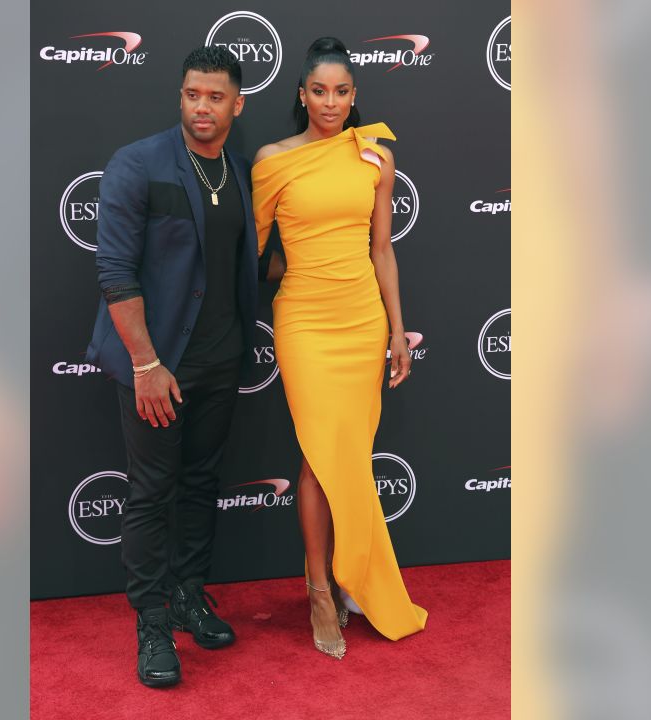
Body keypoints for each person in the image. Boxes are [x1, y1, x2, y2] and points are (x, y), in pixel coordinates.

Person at [85, 46, 258, 688]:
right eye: (192, 95)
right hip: (158, 365)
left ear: (236, 105)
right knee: (152, 492)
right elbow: (114, 271)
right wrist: (146, 365)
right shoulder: (139, 163)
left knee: (202, 482)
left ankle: (188, 595)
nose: (202, 107)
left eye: (215, 97)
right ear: (180, 97)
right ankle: (152, 625)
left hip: (220, 361)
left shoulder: (239, 172)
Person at [252, 37, 428, 660]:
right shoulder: (272, 160)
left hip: (360, 321)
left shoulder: (376, 159)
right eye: (319, 91)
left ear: (356, 96)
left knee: (341, 456)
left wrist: (396, 330)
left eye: (342, 91)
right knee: (319, 452)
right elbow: (254, 252)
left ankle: (335, 577)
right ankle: (321, 593)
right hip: (303, 319)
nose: (331, 101)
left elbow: (383, 248)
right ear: (301, 95)